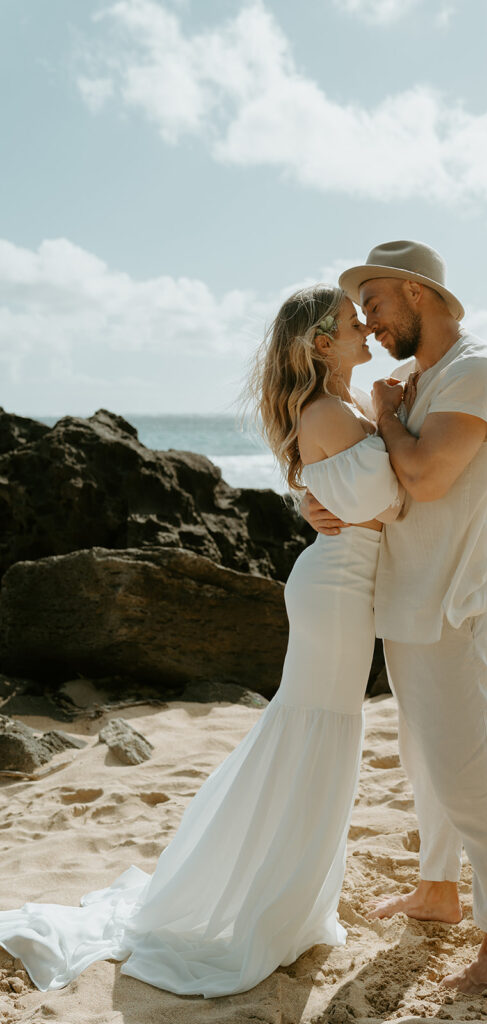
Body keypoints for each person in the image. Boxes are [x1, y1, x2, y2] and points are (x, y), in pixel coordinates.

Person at [0, 285, 403, 998]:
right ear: (319, 343)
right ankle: (265, 907)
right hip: (337, 591)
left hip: (341, 586)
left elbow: (360, 495)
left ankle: (286, 901)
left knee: (314, 733)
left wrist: (373, 437)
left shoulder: (339, 411)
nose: (364, 330)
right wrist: (395, 426)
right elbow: (390, 498)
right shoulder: (328, 412)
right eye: (350, 324)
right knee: (315, 732)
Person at [302, 240, 487, 993]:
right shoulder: (412, 380)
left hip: (452, 599)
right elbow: (374, 480)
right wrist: (319, 498)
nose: (368, 323)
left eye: (374, 305)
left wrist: (384, 419)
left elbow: (426, 476)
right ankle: (437, 890)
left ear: (416, 293)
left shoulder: (476, 373)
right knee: (423, 759)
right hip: (405, 597)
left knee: (468, 772)